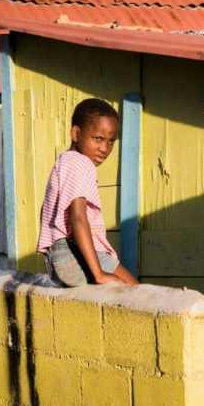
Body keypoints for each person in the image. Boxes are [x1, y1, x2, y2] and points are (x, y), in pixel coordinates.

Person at [37, 98, 138, 286]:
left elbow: (45, 211)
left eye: (111, 141)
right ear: (76, 133)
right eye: (98, 139)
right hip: (80, 256)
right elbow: (78, 217)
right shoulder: (80, 163)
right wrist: (99, 274)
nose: (104, 148)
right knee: (139, 294)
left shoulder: (64, 162)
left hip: (58, 259)